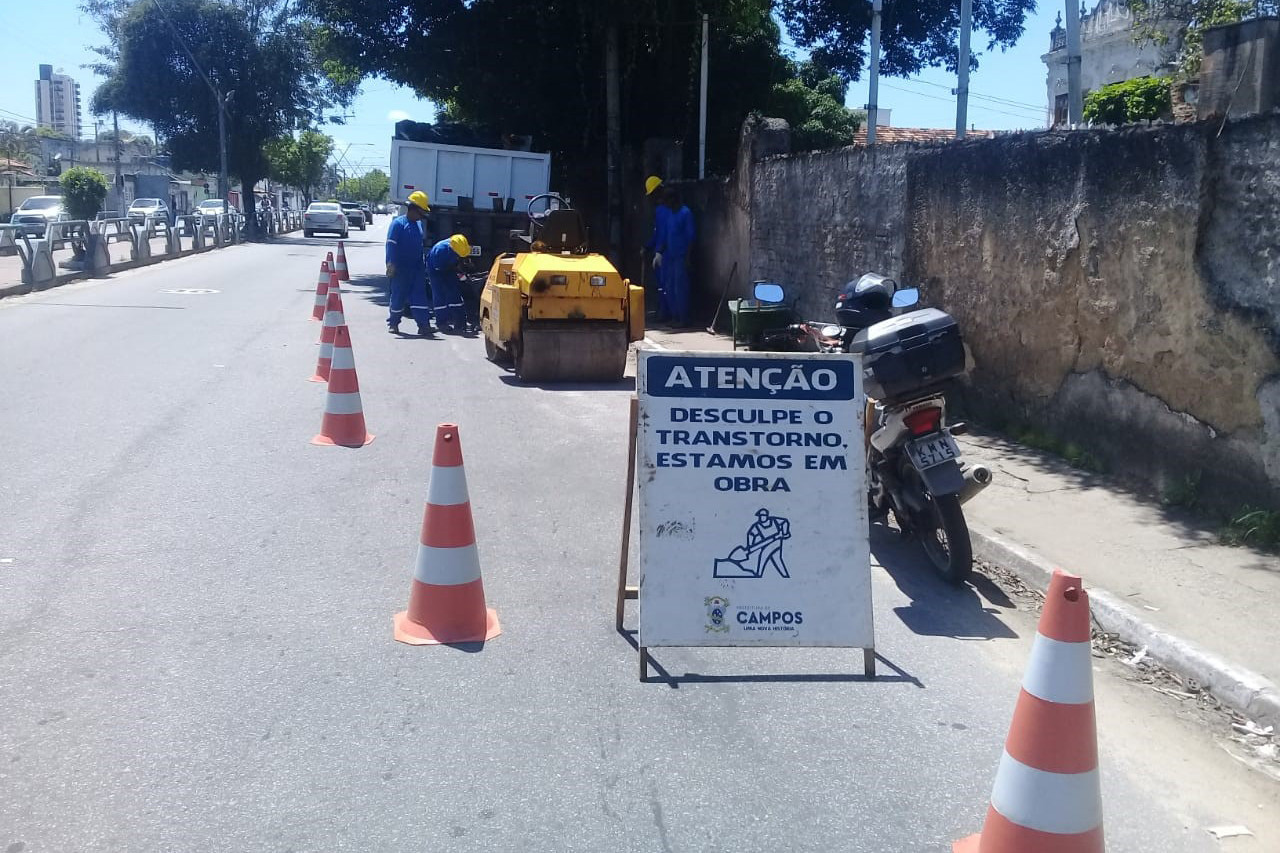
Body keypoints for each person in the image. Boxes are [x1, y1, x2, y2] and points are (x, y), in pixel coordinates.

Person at [384, 190, 433, 335]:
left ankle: (423, 325)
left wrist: (422, 266)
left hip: (416, 268)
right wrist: (390, 264)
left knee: (419, 297)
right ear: (413, 209)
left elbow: (419, 247)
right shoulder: (398, 224)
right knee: (398, 296)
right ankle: (393, 323)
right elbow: (391, 245)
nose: (422, 216)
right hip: (400, 268)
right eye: (421, 212)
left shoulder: (418, 225)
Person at [652, 186, 695, 326]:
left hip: (681, 256)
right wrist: (659, 252)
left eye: (667, 201)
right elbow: (664, 235)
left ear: (673, 199)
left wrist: (688, 257)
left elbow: (691, 237)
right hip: (670, 256)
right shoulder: (670, 214)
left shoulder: (685, 213)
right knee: (669, 287)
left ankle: (683, 318)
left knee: (680, 288)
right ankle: (675, 316)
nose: (666, 204)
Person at [427, 233, 471, 333]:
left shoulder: (460, 245)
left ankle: (460, 322)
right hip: (436, 270)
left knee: (454, 293)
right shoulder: (441, 250)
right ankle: (442, 323)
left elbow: (458, 260)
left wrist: (462, 267)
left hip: (448, 268)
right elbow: (439, 267)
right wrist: (456, 270)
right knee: (439, 295)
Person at [642, 175, 669, 319]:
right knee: (662, 285)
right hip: (662, 252)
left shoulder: (664, 210)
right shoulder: (661, 210)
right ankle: (663, 311)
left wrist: (659, 251)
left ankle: (665, 313)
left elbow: (664, 233)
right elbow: (657, 233)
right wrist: (647, 246)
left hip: (666, 254)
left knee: (665, 285)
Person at [747, 508, 790, 578]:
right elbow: (751, 534)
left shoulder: (774, 521)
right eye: (760, 516)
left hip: (776, 543)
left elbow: (785, 522)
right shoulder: (757, 526)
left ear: (766, 516)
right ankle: (785, 575)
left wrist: (784, 533)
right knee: (777, 560)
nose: (762, 517)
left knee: (763, 556)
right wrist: (750, 545)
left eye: (763, 516)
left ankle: (758, 574)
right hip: (767, 544)